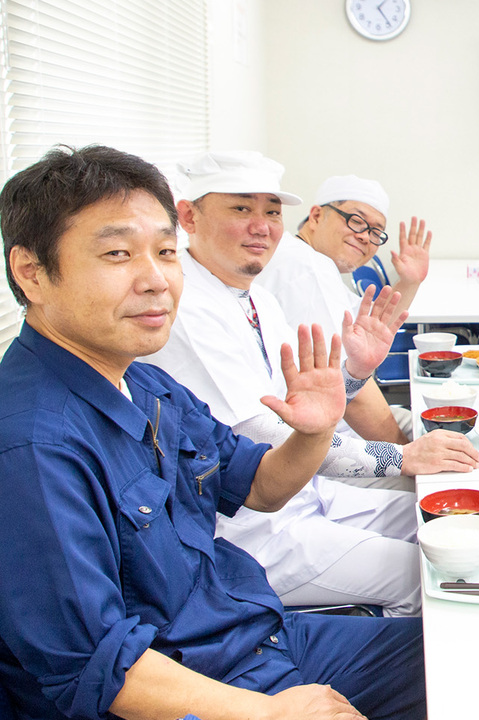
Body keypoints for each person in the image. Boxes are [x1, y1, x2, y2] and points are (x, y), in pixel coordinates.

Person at [0, 144, 424, 719]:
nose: (155, 280)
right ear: (32, 273)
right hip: (197, 686)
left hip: (247, 633)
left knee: (464, 652)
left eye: (165, 252)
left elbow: (261, 485)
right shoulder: (33, 444)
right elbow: (92, 664)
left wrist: (315, 430)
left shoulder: (147, 384)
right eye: (119, 253)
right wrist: (268, 712)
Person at [144, 150, 478, 616]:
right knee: (427, 573)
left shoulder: (254, 296)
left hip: (308, 494)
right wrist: (399, 456)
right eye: (241, 208)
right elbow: (265, 437)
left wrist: (355, 372)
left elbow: (314, 409)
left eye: (272, 212)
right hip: (249, 529)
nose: (261, 226)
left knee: (456, 523)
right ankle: (375, 670)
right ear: (188, 215)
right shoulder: (187, 309)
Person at [257, 175, 432, 444]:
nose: (364, 237)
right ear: (316, 216)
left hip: (338, 425)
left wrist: (410, 282)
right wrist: (405, 457)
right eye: (356, 221)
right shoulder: (307, 270)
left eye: (375, 232)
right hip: (319, 440)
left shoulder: (311, 262)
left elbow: (371, 331)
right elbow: (350, 392)